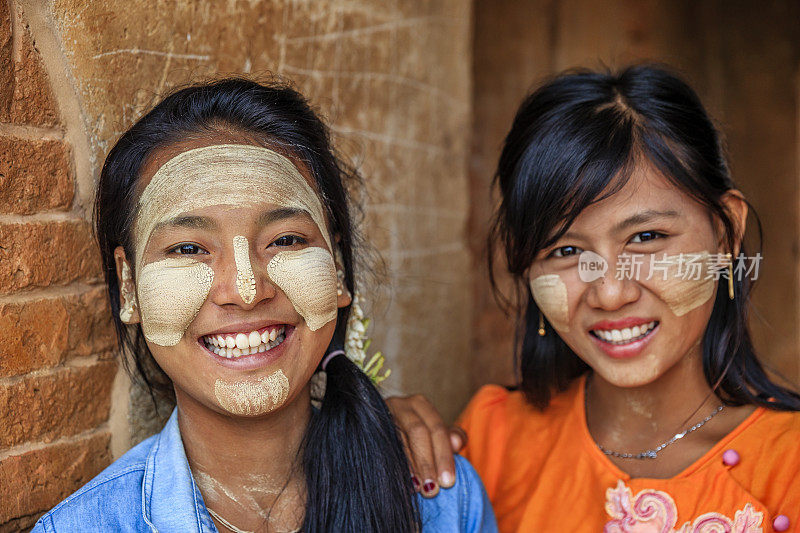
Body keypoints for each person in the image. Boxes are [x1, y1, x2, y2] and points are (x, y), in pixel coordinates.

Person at [33, 78, 497, 533]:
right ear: (129, 285)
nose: (246, 289)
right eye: (189, 248)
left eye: (285, 240)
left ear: (335, 268)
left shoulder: (441, 503)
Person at [389, 65, 800, 531]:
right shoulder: (493, 439)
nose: (609, 292)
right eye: (566, 251)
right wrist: (368, 446)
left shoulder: (788, 466)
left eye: (646, 237)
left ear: (726, 232)